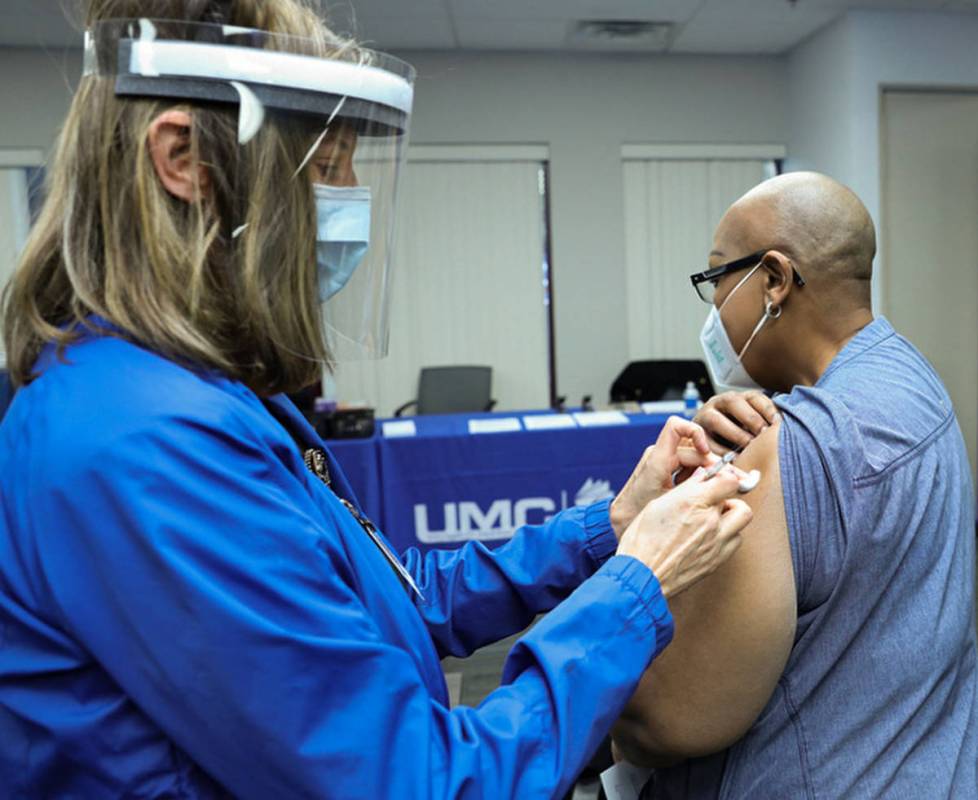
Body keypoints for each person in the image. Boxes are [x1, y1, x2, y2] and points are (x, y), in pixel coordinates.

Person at [0, 2, 756, 797]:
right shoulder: (146, 443)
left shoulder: (211, 395)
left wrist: (608, 529)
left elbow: (396, 599)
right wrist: (639, 584)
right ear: (185, 157)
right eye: (327, 166)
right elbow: (425, 783)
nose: (349, 200)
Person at [612, 172, 978, 798]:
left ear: (775, 281)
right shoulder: (910, 378)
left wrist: (633, 545)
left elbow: (665, 722)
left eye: (718, 278)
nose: (715, 306)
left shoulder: (798, 445)